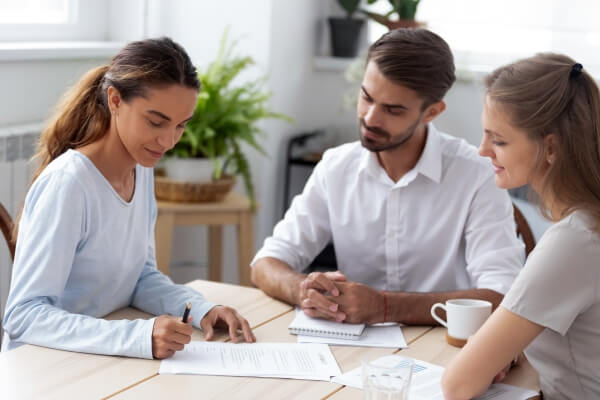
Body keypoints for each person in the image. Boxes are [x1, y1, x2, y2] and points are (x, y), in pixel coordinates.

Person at [1, 37, 255, 360]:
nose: (168, 141)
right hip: (45, 367)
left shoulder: (141, 169)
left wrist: (201, 309)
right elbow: (23, 316)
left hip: (101, 357)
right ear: (115, 100)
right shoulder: (69, 185)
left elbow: (140, 277)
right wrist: (138, 336)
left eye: (180, 126)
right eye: (155, 121)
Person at [251, 28, 524, 325]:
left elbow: (501, 297)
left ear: (431, 112)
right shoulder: (336, 167)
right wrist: (305, 291)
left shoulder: (476, 174)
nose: (370, 119)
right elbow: (266, 263)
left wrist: (385, 307)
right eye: (367, 98)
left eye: (393, 110)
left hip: (446, 350)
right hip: (351, 353)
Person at [442, 54, 600, 399]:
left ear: (550, 148)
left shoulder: (574, 242)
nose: (483, 151)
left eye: (498, 140)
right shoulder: (586, 223)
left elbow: (457, 385)